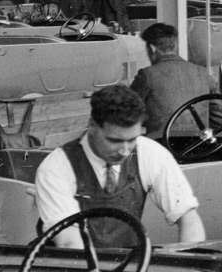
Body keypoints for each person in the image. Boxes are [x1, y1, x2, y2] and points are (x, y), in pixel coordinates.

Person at [34, 85, 205, 250]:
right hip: (71, 262)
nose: (124, 151)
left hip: (127, 262)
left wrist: (191, 259)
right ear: (92, 126)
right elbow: (69, 242)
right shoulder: (56, 168)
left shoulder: (149, 153)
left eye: (132, 140)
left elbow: (188, 217)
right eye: (114, 140)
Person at [130, 21, 213, 137]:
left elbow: (127, 111)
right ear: (175, 46)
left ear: (152, 48)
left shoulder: (147, 75)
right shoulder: (202, 72)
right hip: (199, 142)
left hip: (161, 143)